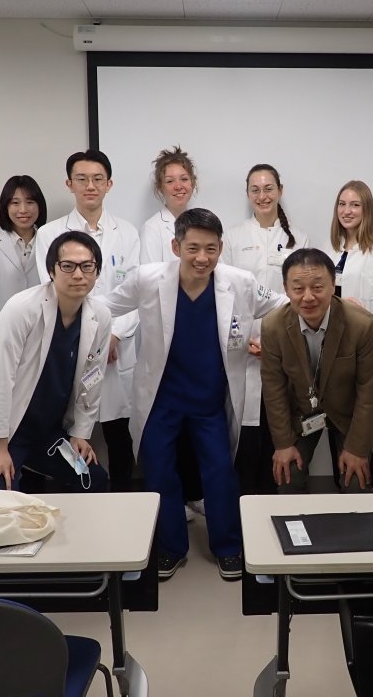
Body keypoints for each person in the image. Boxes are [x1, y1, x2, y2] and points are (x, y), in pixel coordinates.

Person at [103, 208, 286, 581]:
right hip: (161, 398)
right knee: (159, 472)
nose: (202, 258)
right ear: (176, 247)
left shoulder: (240, 282)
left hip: (210, 400)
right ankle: (171, 547)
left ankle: (228, 547)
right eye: (193, 248)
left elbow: (284, 304)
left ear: (221, 248)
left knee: (220, 472)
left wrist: (333, 304)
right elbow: (103, 306)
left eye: (211, 249)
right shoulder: (147, 279)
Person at [0, 231, 111, 492]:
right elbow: (0, 379)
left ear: (97, 271)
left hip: (46, 432)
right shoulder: (22, 308)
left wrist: (80, 433)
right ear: (51, 270)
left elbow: (93, 378)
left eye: (87, 266)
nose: (78, 274)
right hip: (0, 432)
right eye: (68, 266)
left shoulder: (99, 315)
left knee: (91, 479)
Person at [36, 150, 140, 492]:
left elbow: (135, 293)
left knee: (119, 435)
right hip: (71, 345)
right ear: (69, 184)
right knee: (70, 434)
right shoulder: (50, 234)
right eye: (81, 179)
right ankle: (71, 501)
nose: (90, 186)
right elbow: (55, 291)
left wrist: (114, 336)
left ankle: (123, 502)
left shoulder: (127, 232)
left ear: (109, 184)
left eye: (97, 179)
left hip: (116, 349)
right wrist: (92, 339)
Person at [262, 248, 373, 494]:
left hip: (348, 413)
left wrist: (357, 449)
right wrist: (283, 444)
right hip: (301, 411)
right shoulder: (273, 326)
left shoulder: (363, 325)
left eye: (317, 287)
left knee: (355, 482)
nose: (308, 297)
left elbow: (368, 393)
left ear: (333, 285)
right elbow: (274, 389)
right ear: (286, 289)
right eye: (298, 288)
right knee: (288, 476)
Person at [223, 164, 310, 495]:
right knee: (246, 438)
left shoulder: (298, 238)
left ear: (280, 191)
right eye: (255, 189)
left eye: (268, 188)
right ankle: (244, 506)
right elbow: (226, 295)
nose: (262, 195)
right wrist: (243, 339)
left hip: (283, 347)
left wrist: (275, 343)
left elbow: (302, 296)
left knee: (280, 431)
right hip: (243, 349)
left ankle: (277, 506)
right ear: (248, 194)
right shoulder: (232, 237)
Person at [323, 180, 373, 492]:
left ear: (367, 209)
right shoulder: (327, 250)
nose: (347, 211)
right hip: (332, 358)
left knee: (367, 437)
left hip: (367, 357)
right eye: (342, 204)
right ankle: (344, 504)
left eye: (355, 205)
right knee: (338, 433)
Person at [140, 146, 205, 521]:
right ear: (160, 187)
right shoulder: (153, 229)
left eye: (184, 179)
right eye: (170, 180)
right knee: (172, 424)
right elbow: (153, 283)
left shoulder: (205, 222)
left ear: (193, 183)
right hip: (168, 337)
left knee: (199, 419)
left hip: (201, 334)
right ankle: (175, 499)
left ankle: (196, 493)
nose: (178, 185)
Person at [0, 175, 47, 318]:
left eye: (30, 202)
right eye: (15, 203)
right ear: (5, 206)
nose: (23, 209)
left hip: (41, 326)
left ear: (40, 206)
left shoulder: (51, 242)